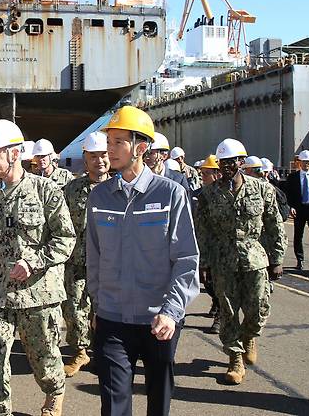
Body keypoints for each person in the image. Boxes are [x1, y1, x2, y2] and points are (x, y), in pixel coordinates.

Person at [87, 106, 199, 416]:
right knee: (113, 405)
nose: (110, 150)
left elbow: (187, 259)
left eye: (118, 142)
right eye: (109, 142)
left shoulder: (171, 195)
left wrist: (171, 312)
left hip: (158, 321)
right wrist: (98, 306)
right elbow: (94, 257)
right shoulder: (99, 197)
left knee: (158, 402)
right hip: (112, 319)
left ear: (140, 147)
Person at [0, 120, 75, 416]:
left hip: (37, 295)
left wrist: (34, 261)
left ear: (15, 154)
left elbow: (66, 238)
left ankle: (54, 392)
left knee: (44, 363)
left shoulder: (46, 191)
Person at [195, 138, 285, 384]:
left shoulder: (262, 189)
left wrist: (277, 257)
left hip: (255, 257)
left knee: (257, 307)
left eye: (232, 161)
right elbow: (203, 230)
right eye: (223, 162)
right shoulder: (209, 194)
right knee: (228, 310)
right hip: (223, 259)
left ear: (241, 162)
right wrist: (204, 263)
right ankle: (235, 358)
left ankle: (250, 336)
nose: (227, 166)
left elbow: (274, 223)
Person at [62, 131, 110, 378]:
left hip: (111, 263)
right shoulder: (71, 190)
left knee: (107, 309)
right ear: (85, 158)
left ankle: (104, 351)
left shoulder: (119, 188)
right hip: (78, 261)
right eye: (93, 156)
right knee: (74, 308)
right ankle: (80, 350)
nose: (99, 161)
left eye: (103, 155)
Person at [194, 154, 222, 333]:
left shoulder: (225, 194)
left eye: (205, 174)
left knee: (221, 284)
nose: (202, 177)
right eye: (201, 173)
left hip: (222, 249)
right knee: (207, 282)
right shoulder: (199, 195)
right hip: (204, 247)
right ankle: (216, 303)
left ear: (216, 174)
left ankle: (220, 316)